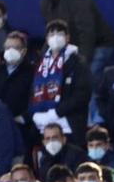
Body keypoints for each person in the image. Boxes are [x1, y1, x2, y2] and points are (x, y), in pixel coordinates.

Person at [30, 20, 93, 148]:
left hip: (69, 125)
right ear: (47, 39)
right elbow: (33, 91)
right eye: (51, 34)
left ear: (67, 37)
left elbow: (82, 95)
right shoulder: (41, 64)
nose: (55, 37)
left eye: (59, 33)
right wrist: (35, 113)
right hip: (44, 126)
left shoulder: (78, 63)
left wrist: (56, 113)